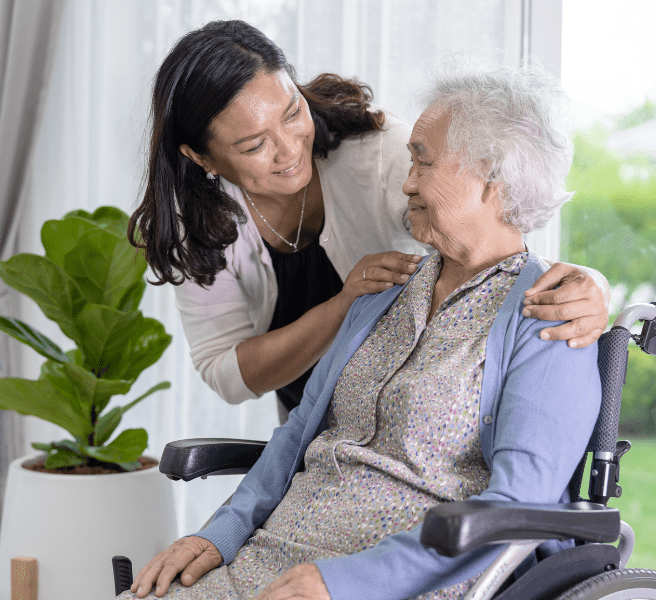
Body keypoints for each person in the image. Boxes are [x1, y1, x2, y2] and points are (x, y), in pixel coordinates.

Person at [123, 57, 602, 600]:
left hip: (400, 579)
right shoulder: (384, 290)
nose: (407, 182)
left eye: (422, 163)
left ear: (493, 179)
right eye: (410, 162)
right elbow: (298, 430)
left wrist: (346, 581)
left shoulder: (549, 319)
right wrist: (218, 536)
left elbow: (520, 505)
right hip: (277, 557)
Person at [127, 20, 609, 418]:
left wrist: (589, 287)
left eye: (293, 112)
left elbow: (499, 238)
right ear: (201, 158)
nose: (290, 148)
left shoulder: (385, 158)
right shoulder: (195, 222)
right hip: (318, 435)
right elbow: (227, 373)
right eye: (254, 145)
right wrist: (343, 307)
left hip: (411, 421)